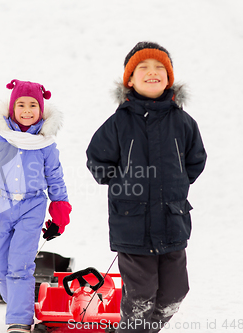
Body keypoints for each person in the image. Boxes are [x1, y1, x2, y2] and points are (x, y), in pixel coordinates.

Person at [86, 41, 207, 333]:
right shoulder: (118, 123)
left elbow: (195, 160)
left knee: (174, 294)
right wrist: (124, 184)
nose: (152, 73)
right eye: (143, 68)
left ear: (169, 78)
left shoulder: (183, 122)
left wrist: (174, 184)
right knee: (140, 296)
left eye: (159, 69)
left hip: (172, 221)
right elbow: (97, 160)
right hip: (133, 223)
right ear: (130, 79)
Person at [0, 79, 72, 333]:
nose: (27, 110)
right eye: (21, 104)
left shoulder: (46, 144)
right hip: (4, 205)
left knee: (20, 264)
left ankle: (19, 320)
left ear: (41, 111)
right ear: (11, 109)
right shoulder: (0, 141)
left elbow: (55, 179)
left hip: (33, 206)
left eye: (33, 105)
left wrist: (59, 213)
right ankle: (20, 302)